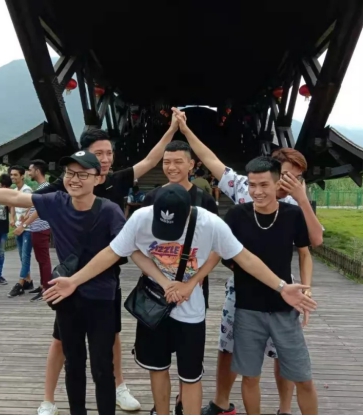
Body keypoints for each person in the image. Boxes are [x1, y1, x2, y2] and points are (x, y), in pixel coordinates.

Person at [41, 184, 317, 416]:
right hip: (153, 307)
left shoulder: (210, 224)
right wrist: (74, 281)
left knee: (191, 375)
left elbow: (245, 258)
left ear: (189, 213)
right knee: (157, 369)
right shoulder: (140, 219)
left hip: (191, 310)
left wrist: (282, 286)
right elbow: (113, 252)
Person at [0, 150, 151, 414]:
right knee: (74, 363)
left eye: (82, 174)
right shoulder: (57, 202)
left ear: (98, 179)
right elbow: (15, 197)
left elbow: (118, 251)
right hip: (66, 298)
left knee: (103, 367)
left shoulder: (110, 212)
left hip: (101, 298)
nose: (74, 179)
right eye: (69, 173)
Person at [171, 107, 323, 415]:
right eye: (287, 173)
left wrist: (301, 198)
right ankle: (221, 401)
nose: (291, 180)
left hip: (284, 292)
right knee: (231, 348)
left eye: (297, 176)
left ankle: (284, 408)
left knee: (286, 357)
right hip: (242, 292)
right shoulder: (245, 192)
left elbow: (312, 244)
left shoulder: (293, 207)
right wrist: (185, 131)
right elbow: (211, 160)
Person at [29, 123, 181, 414]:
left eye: (109, 153)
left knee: (108, 343)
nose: (106, 158)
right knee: (63, 343)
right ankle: (48, 399)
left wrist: (172, 129)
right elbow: (32, 199)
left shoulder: (116, 181)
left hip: (105, 281)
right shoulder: (70, 180)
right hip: (68, 283)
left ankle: (118, 388)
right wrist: (29, 215)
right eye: (99, 153)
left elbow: (151, 160)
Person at [223, 156, 318, 414]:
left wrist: (307, 289)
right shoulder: (237, 215)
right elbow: (224, 256)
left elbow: (305, 252)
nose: (257, 191)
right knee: (250, 376)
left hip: (285, 309)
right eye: (252, 185)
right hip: (247, 308)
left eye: (264, 185)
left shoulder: (292, 214)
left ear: (277, 184)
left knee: (303, 377)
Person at [141, 140, 218, 414]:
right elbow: (141, 245)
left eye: (178, 162)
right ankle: (161, 408)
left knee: (189, 364)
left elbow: (216, 247)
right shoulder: (151, 199)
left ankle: (182, 404)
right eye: (166, 162)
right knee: (157, 363)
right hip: (155, 295)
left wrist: (193, 280)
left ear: (191, 165)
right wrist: (159, 278)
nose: (171, 167)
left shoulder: (205, 200)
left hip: (191, 293)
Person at [19, 160, 53, 302]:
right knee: (40, 259)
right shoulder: (41, 187)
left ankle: (47, 287)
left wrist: (24, 225)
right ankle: (42, 284)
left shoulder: (46, 187)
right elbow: (34, 206)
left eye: (30, 170)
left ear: (37, 171)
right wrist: (26, 216)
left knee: (44, 259)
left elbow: (39, 210)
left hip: (41, 228)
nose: (29, 173)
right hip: (36, 228)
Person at [8, 165, 34, 297]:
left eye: (15, 175)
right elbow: (12, 204)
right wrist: (12, 218)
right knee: (21, 256)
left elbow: (32, 206)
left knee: (25, 256)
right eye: (11, 175)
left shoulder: (27, 190)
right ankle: (28, 280)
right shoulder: (14, 190)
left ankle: (20, 284)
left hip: (27, 228)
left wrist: (25, 220)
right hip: (18, 226)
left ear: (22, 176)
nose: (12, 177)